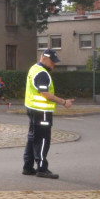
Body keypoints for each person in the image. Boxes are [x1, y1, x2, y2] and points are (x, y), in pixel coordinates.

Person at [23, 49, 74, 179]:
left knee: (33, 137)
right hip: (42, 111)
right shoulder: (42, 73)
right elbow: (45, 94)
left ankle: (28, 167)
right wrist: (63, 102)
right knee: (43, 139)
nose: (54, 65)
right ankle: (41, 168)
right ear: (44, 58)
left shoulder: (34, 68)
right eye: (52, 62)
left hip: (32, 108)